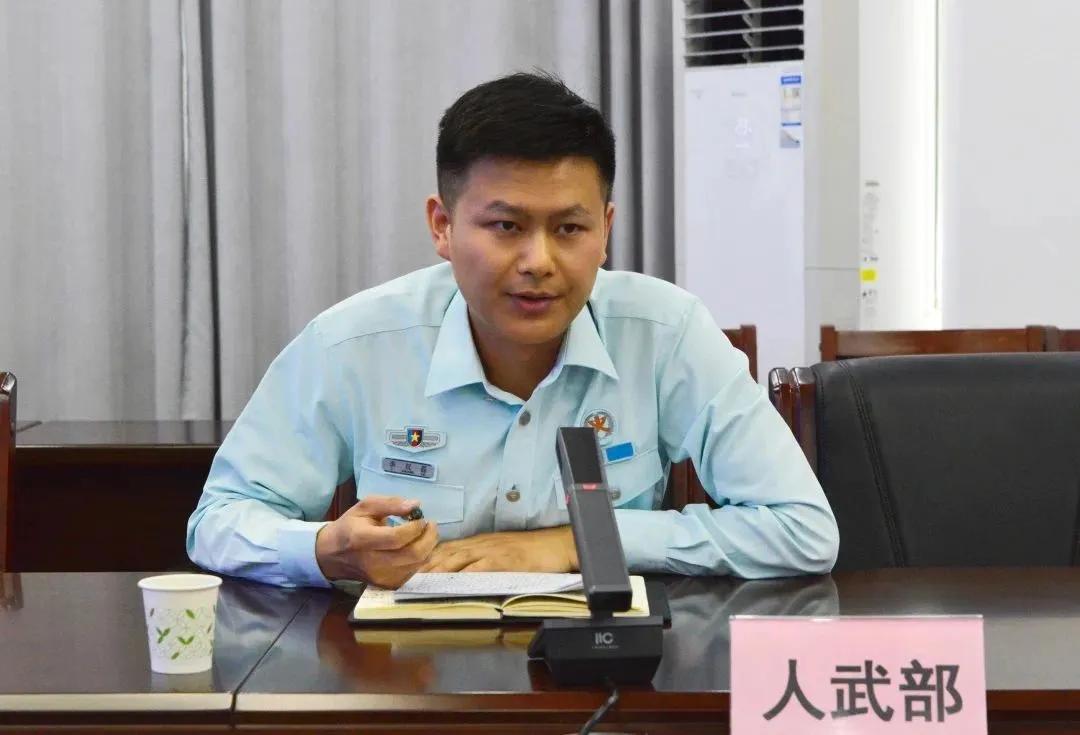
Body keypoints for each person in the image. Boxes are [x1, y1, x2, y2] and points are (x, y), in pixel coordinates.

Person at [187, 72, 838, 589]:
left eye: (569, 228)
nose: (538, 261)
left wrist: (578, 542)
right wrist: (325, 548)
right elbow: (219, 519)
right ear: (442, 226)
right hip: (411, 680)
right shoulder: (353, 344)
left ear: (605, 230)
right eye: (506, 226)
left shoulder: (666, 332)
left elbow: (802, 528)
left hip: (606, 679)